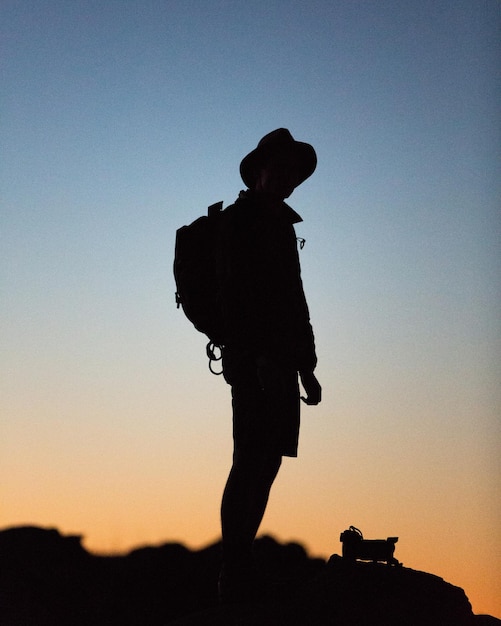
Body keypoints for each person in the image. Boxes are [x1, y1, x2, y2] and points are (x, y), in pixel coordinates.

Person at [217, 128, 321, 603]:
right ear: (259, 170)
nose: (288, 178)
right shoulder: (242, 223)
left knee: (268, 461)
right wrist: (256, 357)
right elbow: (242, 300)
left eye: (293, 173)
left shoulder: (280, 225)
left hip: (280, 362)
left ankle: (239, 567)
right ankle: (233, 573)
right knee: (251, 461)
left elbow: (293, 302)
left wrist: (307, 366)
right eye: (279, 168)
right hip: (253, 360)